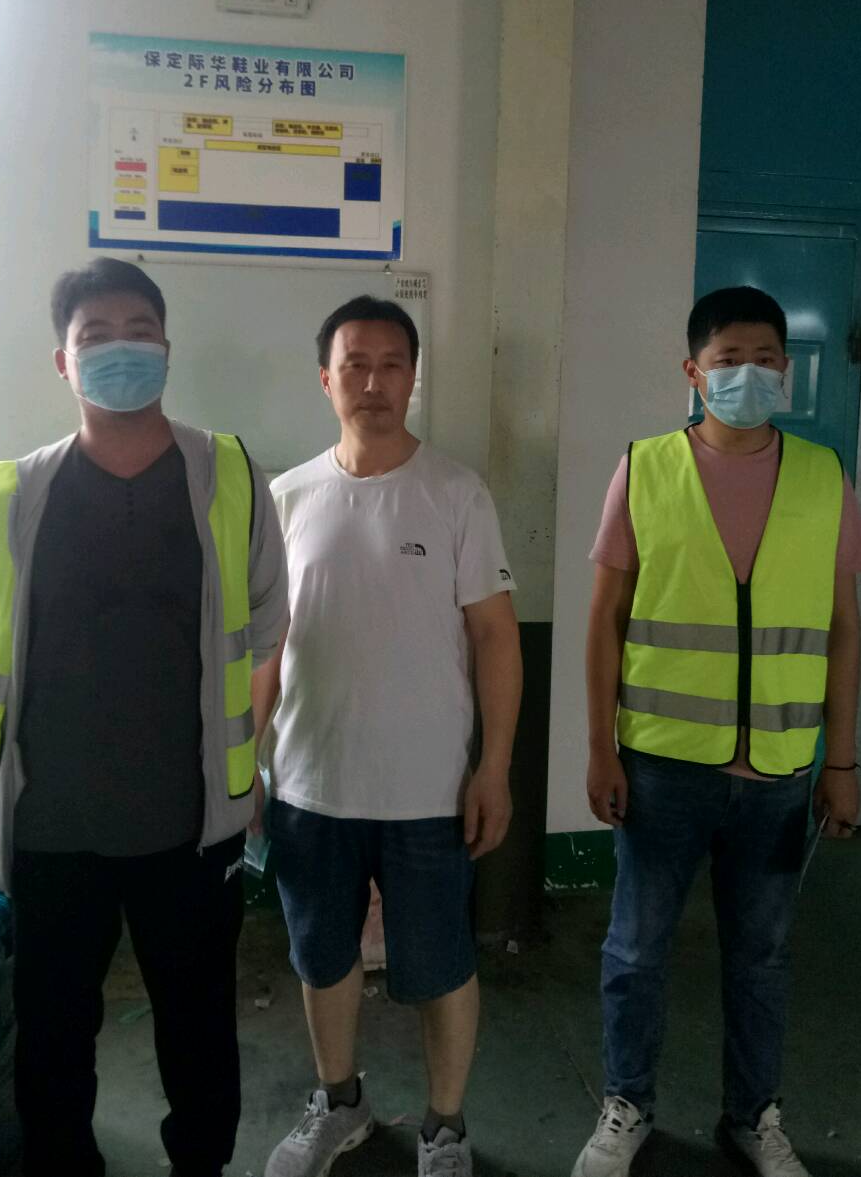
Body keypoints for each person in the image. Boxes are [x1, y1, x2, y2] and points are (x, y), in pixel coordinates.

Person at [0, 256, 288, 1177]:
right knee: (54, 1034)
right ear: (64, 361)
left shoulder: (229, 475)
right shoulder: (15, 494)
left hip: (194, 823)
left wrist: (247, 768)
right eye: (96, 335)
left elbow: (266, 623)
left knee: (199, 1031)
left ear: (168, 347)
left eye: (140, 330)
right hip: (52, 824)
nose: (121, 349)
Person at [571, 285, 861, 1177]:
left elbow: (844, 627)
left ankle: (753, 1114)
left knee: (762, 957)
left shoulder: (822, 475)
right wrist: (598, 747)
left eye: (767, 358)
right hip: (661, 765)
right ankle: (627, 1103)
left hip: (779, 770)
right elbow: (604, 619)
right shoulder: (646, 466)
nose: (750, 373)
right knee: (636, 949)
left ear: (788, 370)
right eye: (730, 359)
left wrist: (842, 761)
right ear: (693, 371)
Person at [256, 295, 523, 1177]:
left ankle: (444, 1126)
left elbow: (496, 638)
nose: (373, 382)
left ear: (413, 378)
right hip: (310, 784)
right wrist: (243, 764)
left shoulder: (455, 492)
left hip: (429, 791)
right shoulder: (288, 497)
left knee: (441, 964)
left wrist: (493, 768)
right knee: (321, 956)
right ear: (325, 378)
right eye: (355, 365)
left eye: (391, 364)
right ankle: (341, 1103)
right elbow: (267, 648)